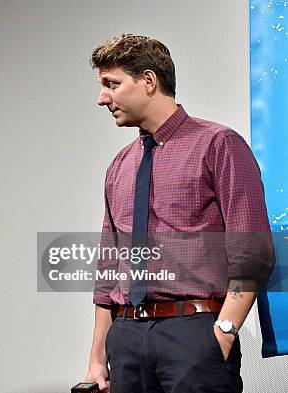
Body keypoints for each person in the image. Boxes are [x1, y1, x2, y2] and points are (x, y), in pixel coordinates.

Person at [83, 34, 275, 393]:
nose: (102, 98)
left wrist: (224, 332)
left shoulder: (218, 144)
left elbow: (253, 253)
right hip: (125, 339)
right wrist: (97, 358)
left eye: (112, 84)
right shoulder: (119, 166)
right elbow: (108, 271)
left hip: (194, 336)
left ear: (149, 81)